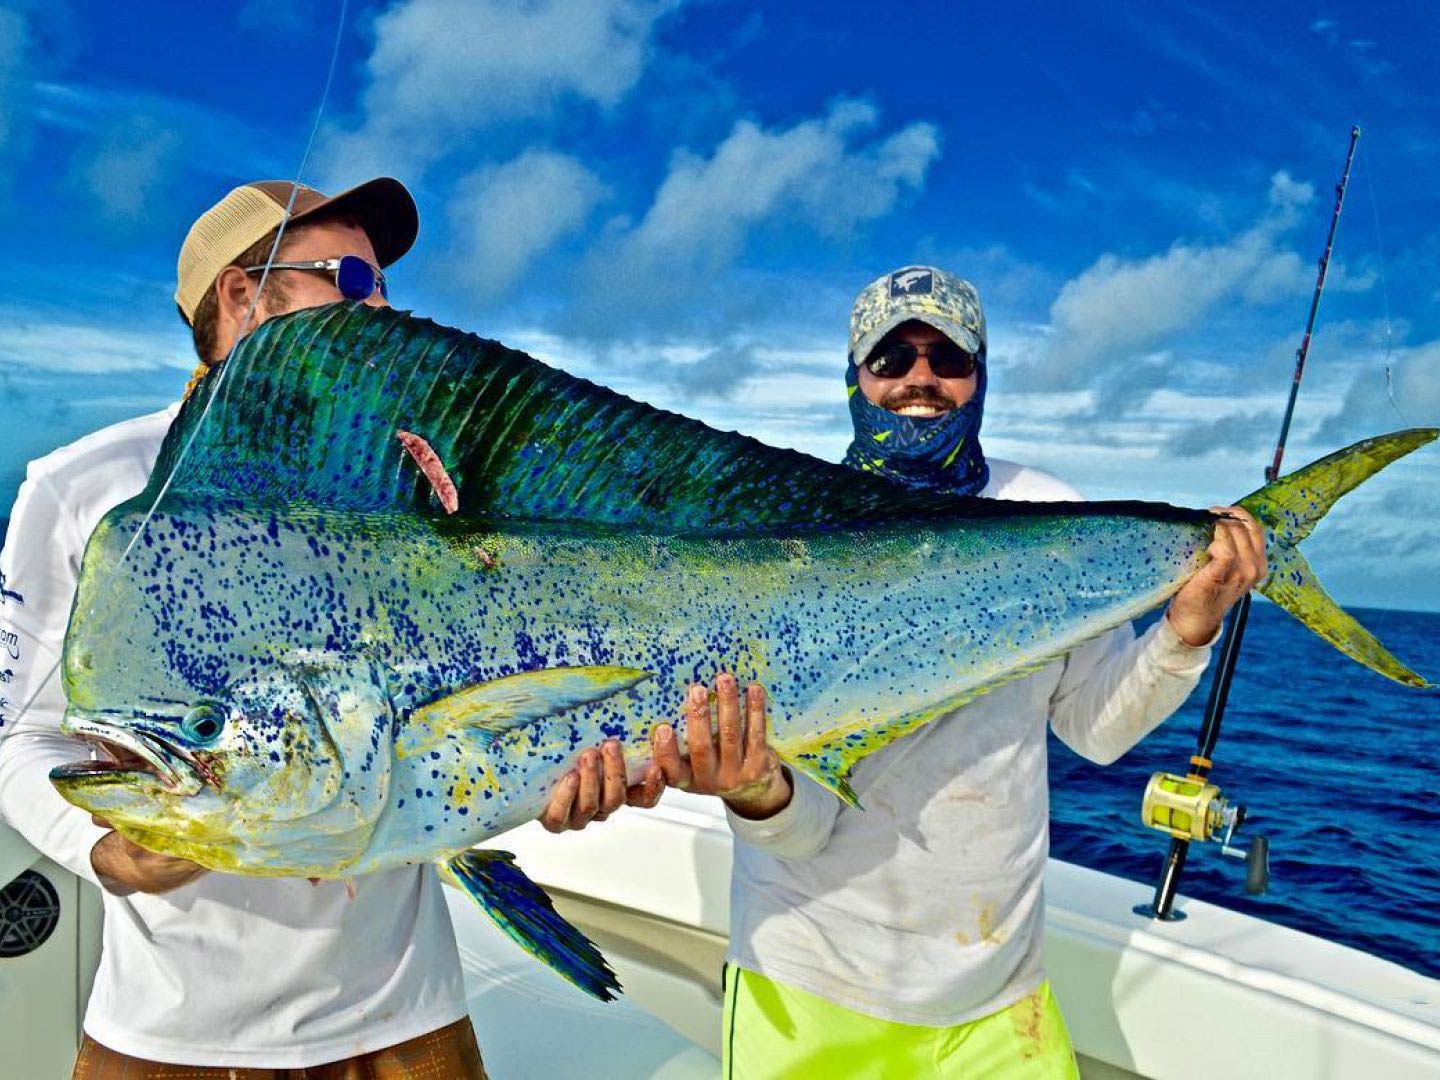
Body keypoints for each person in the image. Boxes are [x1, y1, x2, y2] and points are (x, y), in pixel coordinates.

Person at [0, 177, 634, 1078]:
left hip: (408, 1021)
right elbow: (21, 734)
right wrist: (107, 854)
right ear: (242, 293)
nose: (381, 306)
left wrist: (562, 774)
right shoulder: (85, 485)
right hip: (172, 1034)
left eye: (384, 285)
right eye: (348, 276)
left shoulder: (423, 483)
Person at [641, 266, 1268, 1077]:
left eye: (947, 358)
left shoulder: (1044, 512)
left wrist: (1186, 633)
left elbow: (1096, 729)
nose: (920, 380)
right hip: (807, 990)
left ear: (981, 375)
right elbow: (799, 834)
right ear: (854, 379)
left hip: (1000, 1003)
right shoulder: (786, 530)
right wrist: (752, 791)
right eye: (892, 358)